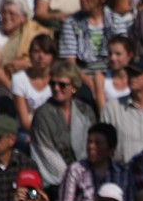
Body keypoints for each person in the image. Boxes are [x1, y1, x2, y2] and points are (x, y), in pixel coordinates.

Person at [30, 60, 96, 192]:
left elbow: (93, 145)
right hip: (56, 184)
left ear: (74, 87)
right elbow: (46, 153)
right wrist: (72, 178)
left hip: (87, 178)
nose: (56, 88)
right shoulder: (42, 114)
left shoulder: (85, 111)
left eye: (62, 85)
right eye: (52, 83)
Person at [58, 0, 130, 91]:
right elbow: (71, 65)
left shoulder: (116, 22)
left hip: (112, 77)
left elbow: (123, 58)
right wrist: (93, 85)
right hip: (83, 79)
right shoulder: (71, 23)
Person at [57, 122, 130, 201]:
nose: (91, 146)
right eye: (89, 142)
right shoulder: (75, 170)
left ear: (110, 149)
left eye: (97, 143)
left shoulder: (122, 173)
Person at [0, 0, 51, 90]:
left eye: (12, 14)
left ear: (23, 18)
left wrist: (27, 64)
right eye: (3, 13)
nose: (7, 17)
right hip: (5, 86)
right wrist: (13, 90)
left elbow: (47, 60)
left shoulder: (33, 32)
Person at [11, 33, 57, 133]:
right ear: (30, 54)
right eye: (36, 51)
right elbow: (24, 122)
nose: (41, 56)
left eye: (46, 52)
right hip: (28, 132)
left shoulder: (58, 80)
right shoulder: (19, 79)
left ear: (53, 56)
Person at [93, 35, 132, 112]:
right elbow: (102, 111)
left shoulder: (136, 78)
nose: (112, 58)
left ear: (129, 56)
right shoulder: (101, 77)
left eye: (118, 54)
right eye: (110, 54)